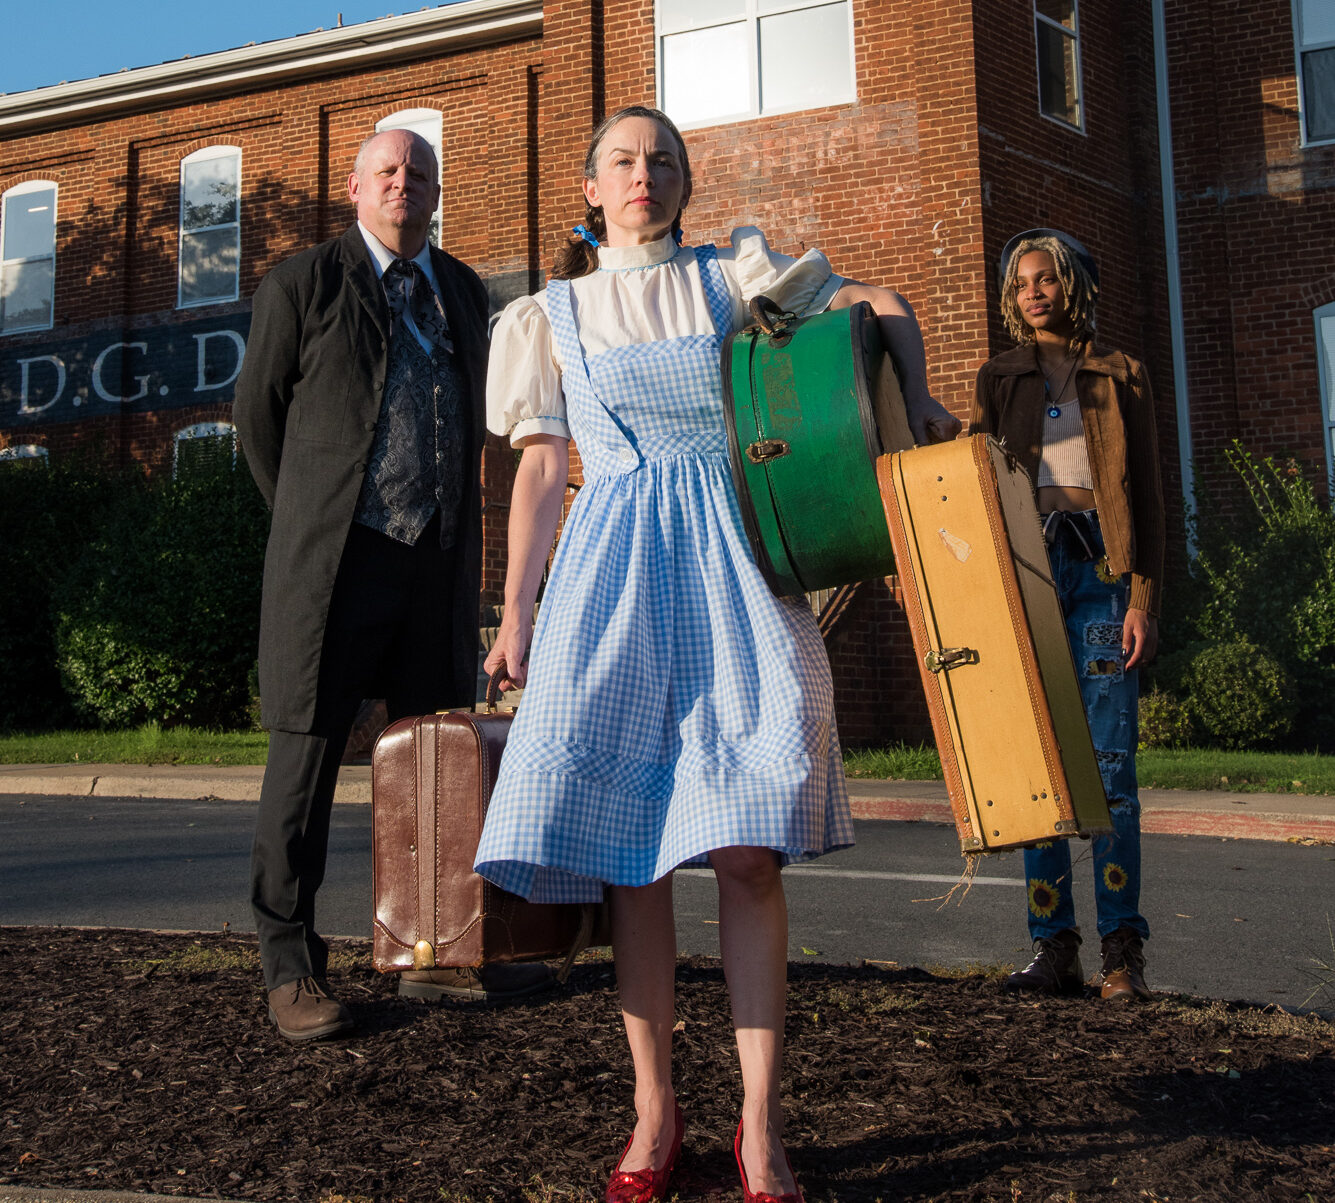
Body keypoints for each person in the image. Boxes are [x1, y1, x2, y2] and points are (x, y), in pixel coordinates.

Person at [473, 105, 960, 1203]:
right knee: (633, 855)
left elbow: (878, 304)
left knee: (747, 847)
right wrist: (515, 617)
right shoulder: (547, 317)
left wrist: (916, 391)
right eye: (622, 163)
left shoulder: (729, 278)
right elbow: (543, 474)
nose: (645, 177)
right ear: (591, 189)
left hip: (734, 564)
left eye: (663, 162)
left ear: (684, 183)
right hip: (610, 580)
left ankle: (758, 1125)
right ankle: (653, 1114)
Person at [234, 128, 548, 1042]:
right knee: (306, 758)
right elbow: (260, 423)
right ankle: (290, 967)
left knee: (432, 766)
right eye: (387, 172)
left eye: (418, 174)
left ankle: (436, 954)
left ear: (433, 192)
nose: (402, 184)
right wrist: (312, 518)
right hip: (336, 562)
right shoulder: (303, 283)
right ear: (355, 187)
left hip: (433, 563)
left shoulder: (458, 289)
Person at [970, 228, 1165, 1003]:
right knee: (1036, 768)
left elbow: (1144, 495)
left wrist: (1142, 599)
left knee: (1111, 769)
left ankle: (1123, 952)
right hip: (1026, 578)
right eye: (1020, 283)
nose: (1032, 292)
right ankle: (1053, 948)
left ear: (1072, 283)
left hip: (1100, 575)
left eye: (1045, 278)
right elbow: (974, 475)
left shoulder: (1121, 375)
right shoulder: (998, 378)